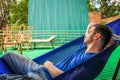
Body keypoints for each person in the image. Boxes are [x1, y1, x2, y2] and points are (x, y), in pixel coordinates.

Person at [1, 23, 112, 80]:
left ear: (97, 36)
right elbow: (90, 27)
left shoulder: (91, 61)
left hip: (44, 77)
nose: (86, 34)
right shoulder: (84, 48)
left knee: (4, 77)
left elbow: (64, 79)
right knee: (9, 55)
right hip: (39, 69)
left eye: (90, 32)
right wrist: (93, 29)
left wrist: (49, 65)